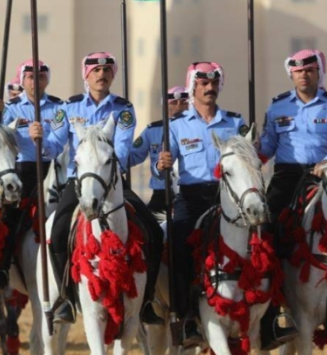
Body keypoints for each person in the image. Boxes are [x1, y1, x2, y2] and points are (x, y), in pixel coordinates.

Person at [48, 52, 164, 325]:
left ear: (113, 75)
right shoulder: (68, 107)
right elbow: (54, 145)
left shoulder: (123, 109)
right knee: (58, 231)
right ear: (86, 75)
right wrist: (40, 139)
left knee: (153, 232)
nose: (102, 75)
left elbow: (122, 148)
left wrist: (105, 165)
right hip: (78, 182)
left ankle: (147, 300)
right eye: (96, 70)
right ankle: (66, 299)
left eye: (107, 70)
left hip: (112, 182)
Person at [257, 49, 327, 350]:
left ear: (318, 72)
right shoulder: (278, 106)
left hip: (324, 174)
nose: (304, 75)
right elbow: (267, 147)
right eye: (298, 71)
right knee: (262, 231)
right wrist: (250, 155)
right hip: (286, 178)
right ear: (291, 74)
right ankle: (270, 312)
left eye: (309, 70)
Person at [154, 62, 246, 346]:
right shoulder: (177, 125)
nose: (210, 88)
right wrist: (161, 164)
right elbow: (163, 163)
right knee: (177, 247)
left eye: (214, 83)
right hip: (191, 198)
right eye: (203, 83)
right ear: (192, 87)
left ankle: (269, 315)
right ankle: (185, 318)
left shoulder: (235, 122)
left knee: (262, 240)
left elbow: (249, 157)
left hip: (227, 196)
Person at [0, 59, 67, 290]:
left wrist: (42, 143)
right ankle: (3, 268)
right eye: (31, 77)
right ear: (23, 81)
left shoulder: (59, 107)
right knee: (11, 219)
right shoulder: (11, 108)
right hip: (22, 171)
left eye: (41, 77)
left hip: (51, 169)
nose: (36, 82)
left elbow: (60, 141)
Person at [130, 86, 189, 218]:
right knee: (145, 223)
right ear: (165, 106)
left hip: (189, 192)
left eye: (184, 102)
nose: (179, 107)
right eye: (173, 102)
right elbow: (133, 156)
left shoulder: (198, 129)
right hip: (162, 192)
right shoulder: (153, 130)